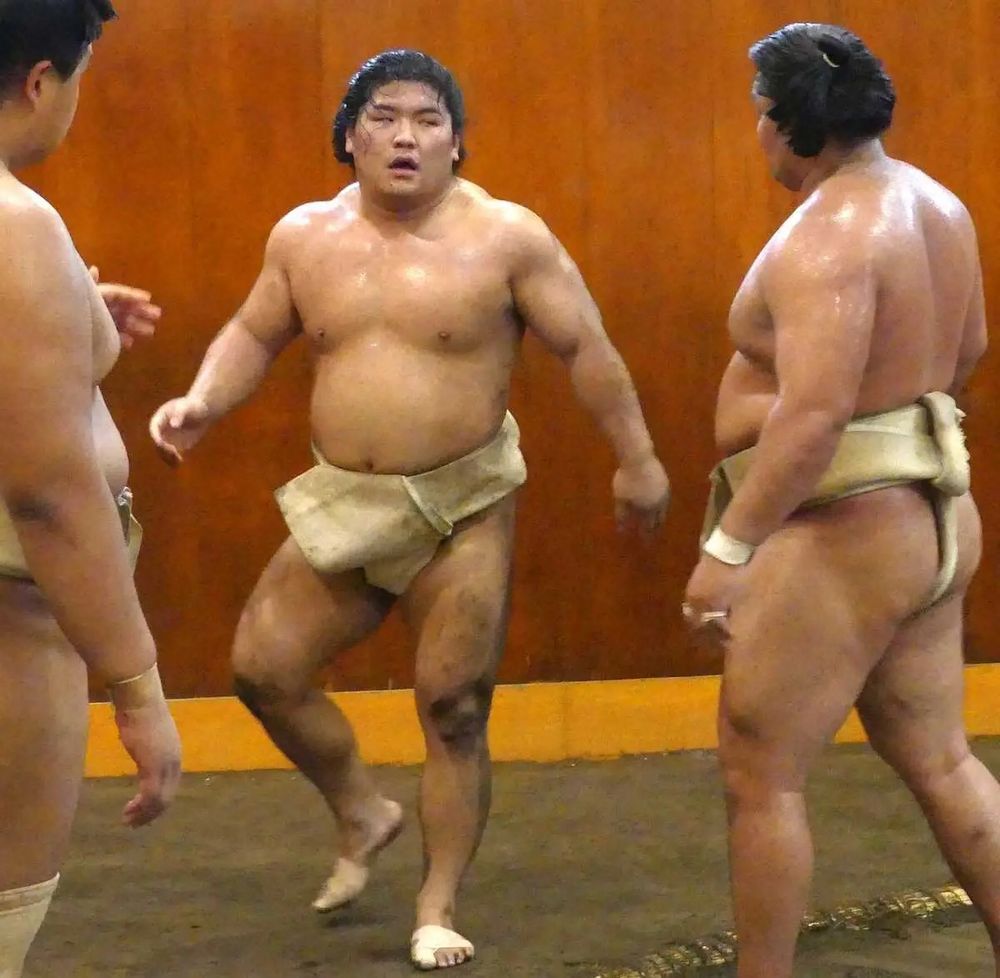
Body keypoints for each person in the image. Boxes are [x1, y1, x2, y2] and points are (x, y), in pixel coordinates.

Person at [150, 48, 669, 971]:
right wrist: (201, 401)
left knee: (455, 706)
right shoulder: (303, 236)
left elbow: (587, 348)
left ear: (458, 142)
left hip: (461, 506)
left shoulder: (507, 236)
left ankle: (436, 906)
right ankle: (362, 809)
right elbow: (252, 331)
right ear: (349, 137)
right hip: (346, 503)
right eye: (384, 118)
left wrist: (637, 459)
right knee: (261, 670)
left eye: (428, 120)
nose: (404, 137)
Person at [683, 22, 1000, 978]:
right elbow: (970, 350)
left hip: (848, 530)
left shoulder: (831, 236)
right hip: (932, 514)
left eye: (758, 116)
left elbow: (815, 417)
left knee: (761, 770)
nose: (757, 133)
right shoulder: (936, 204)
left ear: (787, 123)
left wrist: (727, 550)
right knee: (943, 761)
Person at [0, 2, 181, 975]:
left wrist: (76, 317)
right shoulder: (14, 228)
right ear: (41, 81)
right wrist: (139, 687)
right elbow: (49, 498)